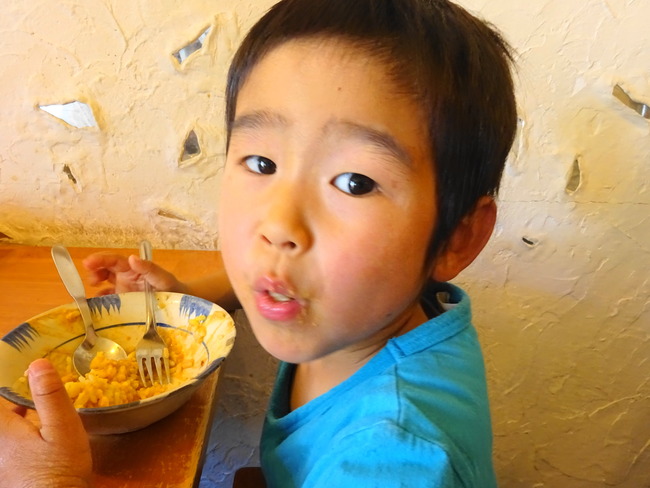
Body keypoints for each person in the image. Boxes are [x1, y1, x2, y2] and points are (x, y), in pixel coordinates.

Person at [0, 0, 517, 486]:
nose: (277, 225)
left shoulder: (389, 461)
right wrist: (192, 290)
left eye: (354, 182)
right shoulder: (372, 304)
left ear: (456, 237)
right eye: (262, 163)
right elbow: (269, 266)